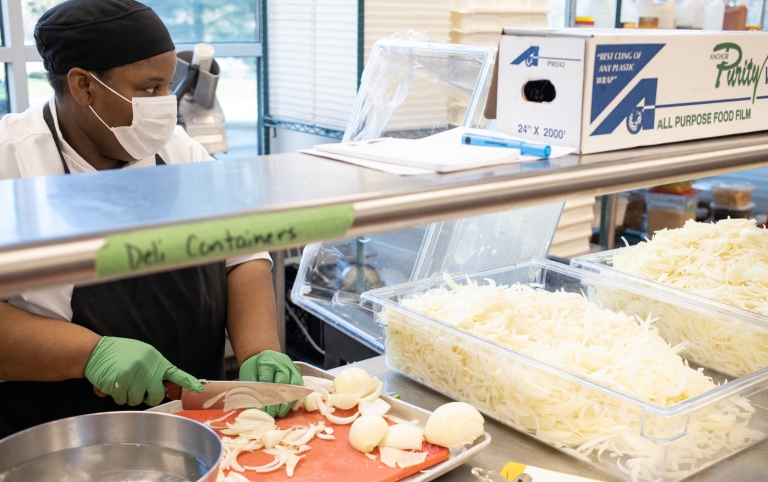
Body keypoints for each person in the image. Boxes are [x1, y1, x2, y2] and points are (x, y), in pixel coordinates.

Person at [0, 0, 301, 438]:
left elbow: (242, 256)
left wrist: (259, 352)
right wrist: (90, 354)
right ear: (83, 86)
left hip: (196, 420)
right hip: (59, 431)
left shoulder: (180, 153)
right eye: (149, 88)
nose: (165, 104)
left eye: (168, 86)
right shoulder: (12, 166)